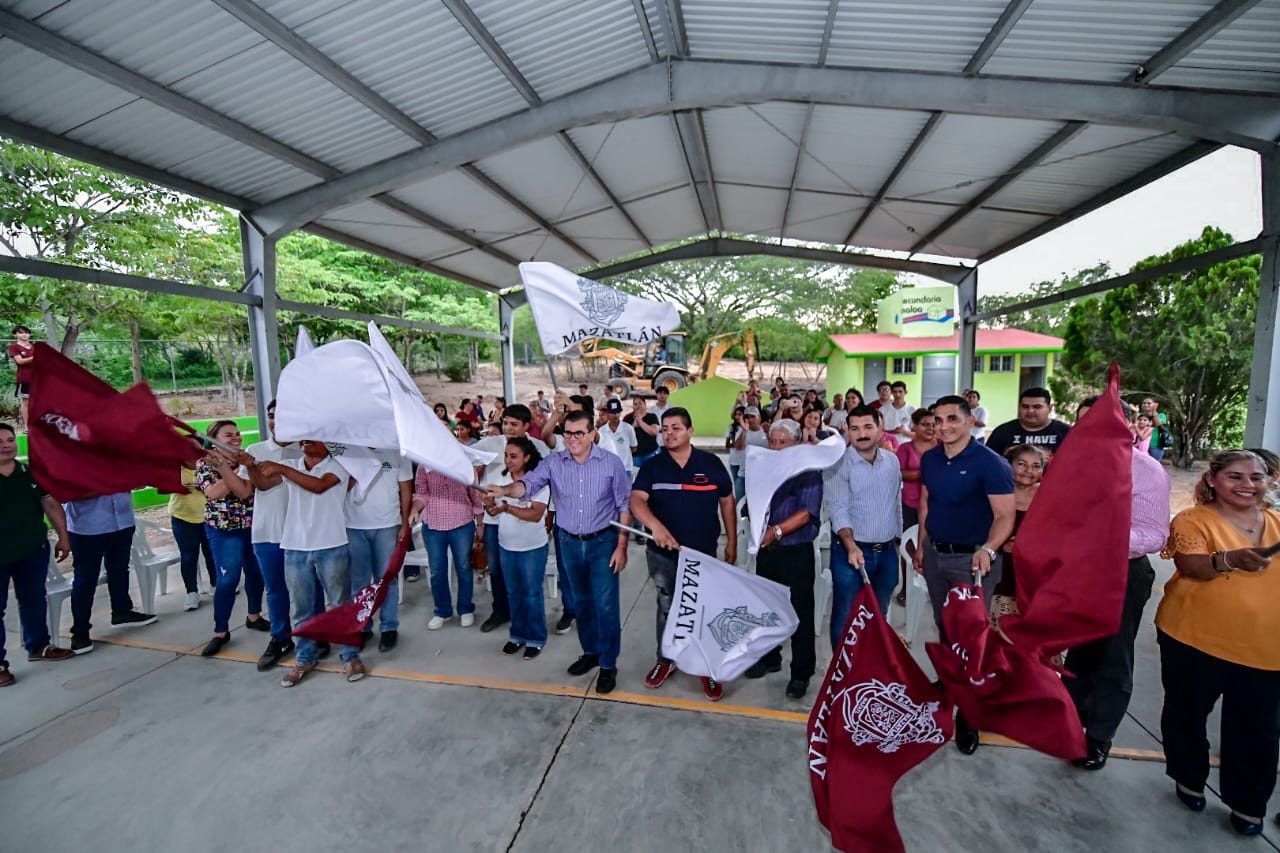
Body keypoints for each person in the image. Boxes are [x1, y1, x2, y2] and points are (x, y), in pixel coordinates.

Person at [1154, 450, 1279, 835]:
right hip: (1193, 638)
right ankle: (1189, 777)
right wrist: (1229, 560)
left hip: (1264, 647)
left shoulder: (1276, 522)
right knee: (1187, 714)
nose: (1247, 485)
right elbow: (1191, 566)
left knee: (1257, 729)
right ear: (1213, 479)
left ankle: (1248, 805)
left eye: (1256, 478)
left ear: (1269, 481)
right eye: (1235, 477)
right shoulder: (1192, 520)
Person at [486, 410, 632, 695]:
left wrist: (623, 545)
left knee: (605, 604)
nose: (573, 438)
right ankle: (590, 652)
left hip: (603, 543)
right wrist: (503, 489)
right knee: (581, 602)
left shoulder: (610, 464)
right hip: (568, 543)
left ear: (592, 434)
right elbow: (527, 485)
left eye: (580, 433)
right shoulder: (554, 463)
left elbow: (624, 505)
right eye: (569, 433)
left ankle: (607, 664)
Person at [1064, 395, 1171, 772]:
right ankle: (1070, 722)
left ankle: (1099, 735)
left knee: (1113, 656)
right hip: (1076, 570)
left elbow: (1154, 535)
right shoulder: (1072, 466)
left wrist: (1100, 539)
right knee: (1078, 650)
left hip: (1121, 573)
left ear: (1127, 426)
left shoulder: (1145, 471)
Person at [913, 394, 1015, 755]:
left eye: (952, 419)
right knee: (944, 625)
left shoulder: (992, 464)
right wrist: (924, 546)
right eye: (937, 420)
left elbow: (1005, 516)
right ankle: (949, 681)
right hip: (938, 556)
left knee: (971, 637)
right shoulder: (931, 459)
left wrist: (988, 550)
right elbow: (927, 503)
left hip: (972, 561)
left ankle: (969, 716)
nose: (943, 427)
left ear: (971, 421)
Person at [630, 407, 736, 701]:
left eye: (676, 428)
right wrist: (656, 528)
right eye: (664, 428)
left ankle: (706, 666)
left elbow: (727, 502)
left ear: (690, 431)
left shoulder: (711, 463)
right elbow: (637, 500)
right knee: (668, 606)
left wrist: (731, 544)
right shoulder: (653, 466)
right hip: (663, 555)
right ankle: (666, 659)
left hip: (703, 552)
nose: (669, 433)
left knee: (703, 610)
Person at [256, 439, 365, 687]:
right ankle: (305, 659)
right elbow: (262, 485)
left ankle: (349, 657)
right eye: (303, 436)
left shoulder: (338, 466)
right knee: (301, 609)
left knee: (339, 605)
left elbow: (319, 486)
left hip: (332, 544)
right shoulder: (292, 463)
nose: (305, 440)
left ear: (327, 443)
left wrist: (281, 469)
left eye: (313, 436)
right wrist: (251, 467)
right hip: (295, 547)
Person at [745, 419, 823, 699]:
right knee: (766, 610)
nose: (776, 447)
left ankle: (801, 674)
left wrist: (775, 531)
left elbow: (806, 513)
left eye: (783, 442)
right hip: (768, 554)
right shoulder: (765, 469)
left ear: (797, 443)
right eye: (773, 442)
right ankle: (770, 658)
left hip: (796, 553)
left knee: (800, 615)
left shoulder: (808, 471)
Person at [0, 421, 74, 685]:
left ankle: (39, 646)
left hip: (31, 550)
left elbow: (50, 503)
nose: (5, 446)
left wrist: (64, 537)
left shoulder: (28, 472)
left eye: (9, 440)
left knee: (33, 599)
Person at [472, 404, 551, 635]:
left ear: (527, 426)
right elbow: (464, 455)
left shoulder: (538, 448)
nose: (508, 428)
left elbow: (547, 481)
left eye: (514, 424)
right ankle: (501, 611)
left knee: (527, 577)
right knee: (496, 568)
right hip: (494, 518)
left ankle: (531, 623)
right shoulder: (490, 444)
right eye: (505, 422)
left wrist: (549, 514)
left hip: (525, 516)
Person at [826, 406, 903, 638]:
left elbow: (896, 503)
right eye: (855, 428)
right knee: (845, 613)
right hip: (851, 552)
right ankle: (843, 672)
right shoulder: (837, 464)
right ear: (847, 431)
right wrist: (851, 546)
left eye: (868, 427)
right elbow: (838, 509)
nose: (862, 434)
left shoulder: (892, 461)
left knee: (878, 614)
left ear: (881, 429)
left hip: (888, 553)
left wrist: (898, 541)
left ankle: (870, 668)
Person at [196, 421, 269, 657]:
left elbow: (246, 491)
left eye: (237, 434)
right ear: (214, 439)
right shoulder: (204, 464)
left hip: (252, 526)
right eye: (228, 435)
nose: (236, 438)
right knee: (228, 580)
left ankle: (254, 615)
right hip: (224, 530)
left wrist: (234, 468)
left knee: (257, 573)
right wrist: (231, 469)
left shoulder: (249, 460)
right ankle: (221, 631)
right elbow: (213, 493)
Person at [241, 401, 303, 671]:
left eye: (283, 415)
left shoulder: (308, 449)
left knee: (307, 590)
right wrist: (245, 466)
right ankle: (280, 637)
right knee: (276, 589)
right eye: (271, 416)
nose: (276, 421)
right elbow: (258, 487)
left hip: (303, 533)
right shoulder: (255, 451)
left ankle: (314, 635)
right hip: (267, 533)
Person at [65, 489, 156, 655]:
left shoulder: (119, 461)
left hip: (122, 521)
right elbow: (68, 493)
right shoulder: (75, 463)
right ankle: (80, 631)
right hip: (87, 527)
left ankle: (122, 611)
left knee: (120, 569)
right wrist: (109, 484)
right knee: (85, 579)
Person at [485, 438, 550, 660]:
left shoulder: (538, 481)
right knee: (514, 593)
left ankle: (536, 638)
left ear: (527, 458)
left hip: (532, 547)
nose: (508, 460)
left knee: (531, 593)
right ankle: (517, 635)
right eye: (506, 455)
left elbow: (535, 514)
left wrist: (507, 507)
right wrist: (488, 503)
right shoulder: (500, 478)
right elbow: (493, 508)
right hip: (506, 545)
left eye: (513, 456)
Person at [344, 447, 412, 652]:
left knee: (386, 580)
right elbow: (337, 487)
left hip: (387, 525)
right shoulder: (348, 451)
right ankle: (362, 627)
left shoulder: (396, 452)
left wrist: (404, 524)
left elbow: (406, 489)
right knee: (359, 582)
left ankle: (389, 627)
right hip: (354, 525)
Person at [410, 459, 483, 631]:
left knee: (464, 567)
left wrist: (480, 524)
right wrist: (415, 509)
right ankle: (442, 611)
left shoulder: (464, 465)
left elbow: (475, 495)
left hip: (462, 523)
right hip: (433, 525)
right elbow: (421, 493)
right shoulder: (424, 466)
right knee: (437, 570)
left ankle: (465, 608)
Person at [989, 444, 1047, 628]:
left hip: (1033, 574)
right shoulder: (995, 493)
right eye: (1022, 464)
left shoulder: (1048, 495)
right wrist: (999, 544)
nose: (1029, 471)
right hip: (998, 571)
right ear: (1009, 465)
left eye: (1036, 466)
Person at [985, 387, 1071, 457]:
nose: (1030, 411)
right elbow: (988, 462)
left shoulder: (1065, 433)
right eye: (1025, 407)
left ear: (1050, 408)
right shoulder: (1002, 432)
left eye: (1037, 407)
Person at [598, 398, 637, 478]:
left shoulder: (628, 428)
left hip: (625, 469)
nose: (615, 415)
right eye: (612, 413)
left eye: (617, 412)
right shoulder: (602, 431)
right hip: (608, 469)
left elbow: (634, 448)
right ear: (608, 413)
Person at [7, 325, 34, 430]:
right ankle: (27, 427)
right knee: (26, 402)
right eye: (21, 332)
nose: (24, 335)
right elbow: (20, 361)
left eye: (26, 333)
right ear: (15, 335)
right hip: (25, 378)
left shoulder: (35, 347)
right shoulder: (14, 347)